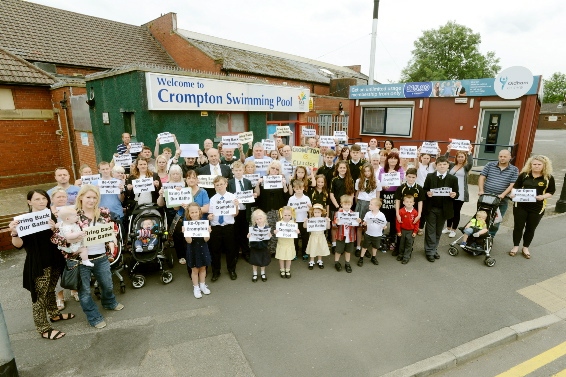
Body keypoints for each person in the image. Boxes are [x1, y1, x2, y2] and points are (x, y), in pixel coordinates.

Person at [55, 185, 124, 329]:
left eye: (94, 197)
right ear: (81, 197)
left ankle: (109, 302)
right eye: (88, 197)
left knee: (107, 284)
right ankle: (94, 317)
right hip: (79, 259)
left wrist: (112, 240)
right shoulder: (72, 214)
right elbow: (57, 237)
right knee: (84, 291)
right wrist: (70, 239)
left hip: (100, 255)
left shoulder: (103, 212)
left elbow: (109, 230)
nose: (91, 200)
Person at [9, 190, 71, 340]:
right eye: (37, 199)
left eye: (44, 198)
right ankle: (43, 328)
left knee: (51, 289)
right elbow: (18, 245)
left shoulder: (49, 215)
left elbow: (58, 238)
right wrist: (14, 233)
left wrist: (55, 228)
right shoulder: (22, 220)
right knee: (39, 296)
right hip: (38, 262)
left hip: (54, 259)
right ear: (29, 202)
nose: (42, 201)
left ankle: (54, 314)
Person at [508, 155, 556, 259]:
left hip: (537, 207)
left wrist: (542, 196)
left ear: (544, 165)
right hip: (521, 206)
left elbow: (551, 192)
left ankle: (525, 247)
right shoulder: (524, 175)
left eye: (539, 164)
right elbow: (516, 187)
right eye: (534, 164)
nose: (536, 166)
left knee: (530, 228)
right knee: (518, 227)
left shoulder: (548, 178)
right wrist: (513, 194)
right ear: (530, 165)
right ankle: (515, 246)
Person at [423, 156, 459, 262]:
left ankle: (434, 249)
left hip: (444, 209)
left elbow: (456, 193)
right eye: (440, 164)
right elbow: (425, 189)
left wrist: (454, 194)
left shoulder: (453, 179)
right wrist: (427, 193)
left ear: (448, 166)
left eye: (444, 164)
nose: (442, 166)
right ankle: (429, 251)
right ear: (436, 166)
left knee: (438, 231)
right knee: (430, 230)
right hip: (431, 208)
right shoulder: (430, 176)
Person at [171, 170, 210, 265]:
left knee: (200, 242)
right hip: (184, 220)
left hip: (199, 221)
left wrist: (191, 209)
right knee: (187, 242)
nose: (191, 180)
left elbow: (206, 208)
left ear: (197, 180)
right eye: (189, 178)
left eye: (194, 177)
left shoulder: (203, 192)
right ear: (185, 180)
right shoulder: (181, 191)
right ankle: (188, 261)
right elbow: (176, 208)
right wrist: (175, 196)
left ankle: (202, 262)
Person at [478, 149, 519, 237]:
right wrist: (481, 190)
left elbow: (512, 184)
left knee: (496, 219)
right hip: (486, 197)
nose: (502, 158)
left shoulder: (514, 169)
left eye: (505, 156)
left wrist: (503, 195)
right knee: (481, 216)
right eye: (500, 156)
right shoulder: (490, 165)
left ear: (510, 157)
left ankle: (490, 236)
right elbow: (482, 177)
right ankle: (478, 233)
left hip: (501, 199)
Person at [207, 176, 240, 281]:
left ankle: (232, 270)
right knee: (215, 251)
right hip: (216, 227)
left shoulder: (232, 197)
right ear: (214, 187)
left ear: (226, 184)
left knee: (230, 250)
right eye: (217, 185)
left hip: (228, 227)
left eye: (221, 184)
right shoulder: (212, 199)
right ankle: (216, 271)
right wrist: (209, 217)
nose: (220, 186)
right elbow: (210, 214)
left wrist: (235, 206)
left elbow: (235, 214)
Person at [255, 161, 289, 256]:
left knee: (276, 229)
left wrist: (284, 184)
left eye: (277, 169)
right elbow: (257, 194)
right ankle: (265, 250)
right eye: (273, 168)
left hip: (278, 209)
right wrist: (258, 184)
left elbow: (286, 195)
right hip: (265, 209)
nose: (274, 170)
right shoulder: (263, 179)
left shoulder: (281, 179)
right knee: (266, 229)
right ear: (269, 169)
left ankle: (274, 251)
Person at [442, 145, 474, 237]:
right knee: (449, 210)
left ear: (465, 158)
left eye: (462, 157)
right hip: (450, 192)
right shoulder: (451, 165)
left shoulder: (466, 167)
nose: (460, 158)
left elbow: (471, 163)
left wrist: (469, 152)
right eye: (458, 156)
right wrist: (448, 150)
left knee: (456, 211)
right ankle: (448, 227)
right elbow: (444, 160)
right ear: (456, 157)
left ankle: (453, 229)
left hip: (461, 193)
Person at [183, 202, 212, 299]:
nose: (194, 214)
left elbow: (206, 240)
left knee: (203, 268)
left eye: (196, 212)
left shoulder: (204, 223)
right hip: (193, 249)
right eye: (192, 213)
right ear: (189, 214)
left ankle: (203, 285)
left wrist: (208, 232)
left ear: (199, 212)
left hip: (203, 247)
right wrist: (186, 233)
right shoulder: (186, 224)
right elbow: (189, 241)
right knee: (195, 270)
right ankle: (196, 287)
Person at [227, 161, 254, 262]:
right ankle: (235, 254)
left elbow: (249, 196)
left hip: (245, 211)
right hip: (235, 211)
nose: (238, 172)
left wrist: (252, 196)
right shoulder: (229, 183)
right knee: (235, 233)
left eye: (240, 170)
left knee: (245, 233)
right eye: (236, 170)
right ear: (233, 171)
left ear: (243, 170)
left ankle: (246, 252)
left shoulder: (247, 182)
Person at [378, 152, 405, 249]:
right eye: (391, 158)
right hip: (384, 195)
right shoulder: (382, 170)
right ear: (387, 159)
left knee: (394, 216)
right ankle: (380, 238)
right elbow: (379, 182)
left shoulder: (400, 169)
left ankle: (392, 238)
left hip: (395, 196)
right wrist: (384, 185)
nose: (393, 160)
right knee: (383, 215)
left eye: (395, 158)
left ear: (397, 160)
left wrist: (395, 175)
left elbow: (402, 182)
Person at [394, 168, 424, 254]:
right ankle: (398, 249)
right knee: (400, 231)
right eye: (409, 177)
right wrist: (397, 214)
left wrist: (419, 215)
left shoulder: (419, 188)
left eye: (413, 177)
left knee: (411, 233)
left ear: (416, 177)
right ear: (406, 176)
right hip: (402, 213)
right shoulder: (401, 187)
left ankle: (408, 250)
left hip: (413, 214)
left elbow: (420, 202)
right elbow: (397, 200)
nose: (411, 179)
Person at [329, 161, 355, 252]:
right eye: (341, 168)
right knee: (335, 226)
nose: (342, 169)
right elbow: (331, 194)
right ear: (337, 169)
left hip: (347, 207)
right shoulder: (334, 179)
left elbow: (352, 193)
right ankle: (334, 244)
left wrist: (349, 205)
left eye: (344, 168)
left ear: (347, 169)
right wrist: (337, 207)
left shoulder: (350, 180)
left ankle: (344, 243)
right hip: (336, 207)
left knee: (345, 225)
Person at [355, 163, 381, 254]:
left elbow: (378, 196)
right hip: (361, 203)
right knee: (359, 226)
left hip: (371, 205)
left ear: (372, 171)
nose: (367, 173)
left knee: (367, 226)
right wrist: (358, 205)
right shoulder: (359, 181)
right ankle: (358, 246)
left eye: (368, 171)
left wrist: (376, 208)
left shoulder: (377, 181)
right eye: (365, 171)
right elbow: (357, 194)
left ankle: (365, 247)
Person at [333, 195, 360, 273]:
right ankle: (336, 262)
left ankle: (347, 263)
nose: (347, 206)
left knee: (348, 251)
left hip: (350, 235)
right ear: (341, 204)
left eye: (349, 204)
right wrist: (336, 222)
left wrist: (359, 222)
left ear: (351, 204)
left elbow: (358, 226)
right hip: (340, 235)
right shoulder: (338, 213)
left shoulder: (354, 214)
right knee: (338, 250)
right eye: (345, 204)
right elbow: (333, 226)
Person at [287, 180, 312, 261]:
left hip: (304, 220)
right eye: (297, 189)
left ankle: (305, 252)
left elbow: (310, 210)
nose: (298, 190)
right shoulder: (291, 199)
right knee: (295, 238)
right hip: (295, 221)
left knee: (305, 237)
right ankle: (295, 253)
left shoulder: (306, 198)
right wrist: (291, 219)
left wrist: (310, 207)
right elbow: (288, 210)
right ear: (294, 189)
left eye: (300, 188)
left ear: (303, 188)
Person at [358, 198, 386, 266]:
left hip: (377, 234)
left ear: (376, 207)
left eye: (371, 204)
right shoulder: (368, 214)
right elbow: (365, 222)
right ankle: (361, 258)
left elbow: (384, 224)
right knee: (364, 246)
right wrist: (364, 223)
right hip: (368, 233)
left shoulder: (381, 215)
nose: (369, 205)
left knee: (375, 247)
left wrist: (384, 227)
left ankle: (373, 257)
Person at [274, 206, 300, 278]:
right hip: (281, 243)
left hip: (289, 244)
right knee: (281, 257)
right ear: (282, 214)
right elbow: (276, 232)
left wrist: (297, 231)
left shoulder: (293, 223)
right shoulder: (279, 223)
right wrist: (275, 232)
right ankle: (282, 269)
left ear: (291, 215)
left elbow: (296, 232)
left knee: (289, 258)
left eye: (289, 215)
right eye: (285, 215)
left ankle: (287, 269)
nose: (287, 217)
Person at [247, 209, 272, 282]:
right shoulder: (253, 229)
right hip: (255, 247)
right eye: (257, 219)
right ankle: (254, 274)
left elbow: (268, 239)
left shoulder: (267, 228)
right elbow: (251, 238)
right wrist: (249, 236)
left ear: (264, 218)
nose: (259, 220)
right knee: (254, 261)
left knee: (263, 261)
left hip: (263, 247)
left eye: (260, 218)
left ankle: (263, 273)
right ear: (254, 220)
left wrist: (269, 236)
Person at [305, 203, 331, 270]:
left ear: (321, 212)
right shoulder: (311, 219)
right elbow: (305, 226)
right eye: (315, 212)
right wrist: (305, 221)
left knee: (320, 248)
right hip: (313, 236)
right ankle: (311, 261)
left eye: (318, 212)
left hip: (321, 236)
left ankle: (319, 261)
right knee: (313, 248)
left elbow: (328, 227)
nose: (317, 213)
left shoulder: (323, 220)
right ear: (313, 212)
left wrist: (328, 221)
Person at [396, 195, 419, 264]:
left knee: (408, 244)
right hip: (403, 230)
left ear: (413, 203)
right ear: (403, 202)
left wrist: (415, 231)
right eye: (407, 202)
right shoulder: (401, 211)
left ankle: (406, 257)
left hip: (411, 231)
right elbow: (397, 222)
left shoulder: (415, 212)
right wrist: (399, 231)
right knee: (401, 244)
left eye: (410, 202)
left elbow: (417, 223)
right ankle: (401, 255)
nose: (409, 203)